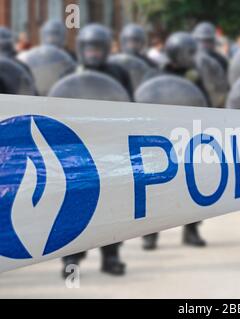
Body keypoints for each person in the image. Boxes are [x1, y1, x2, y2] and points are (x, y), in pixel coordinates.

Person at [60, 23, 133, 278]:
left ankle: (111, 256)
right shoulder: (70, 73)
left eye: (97, 48)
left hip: (110, 147)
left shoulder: (118, 73)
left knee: (112, 207)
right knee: (74, 205)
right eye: (89, 48)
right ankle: (71, 258)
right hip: (78, 151)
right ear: (81, 49)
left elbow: (130, 107)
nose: (93, 53)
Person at [142, 32, 209, 250]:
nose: (192, 56)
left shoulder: (195, 76)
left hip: (187, 136)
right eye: (188, 52)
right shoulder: (155, 74)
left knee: (191, 186)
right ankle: (150, 234)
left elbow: (205, 104)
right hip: (159, 138)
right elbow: (142, 100)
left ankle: (191, 230)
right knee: (156, 188)